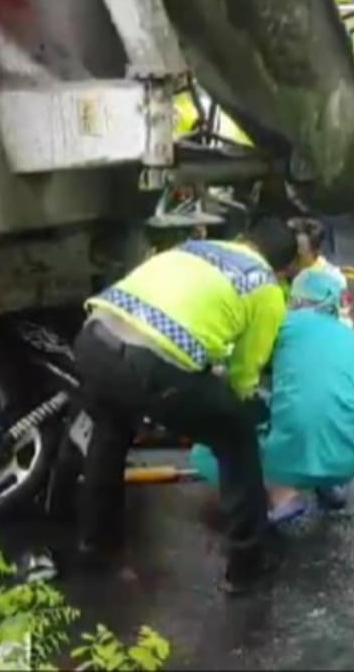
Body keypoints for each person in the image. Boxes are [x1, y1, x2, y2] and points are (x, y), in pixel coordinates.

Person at [72, 217, 300, 595]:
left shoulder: (194, 249)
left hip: (94, 339)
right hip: (148, 364)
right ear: (284, 267)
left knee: (110, 432)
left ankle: (96, 544)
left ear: (245, 239)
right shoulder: (266, 287)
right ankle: (246, 565)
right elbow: (244, 377)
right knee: (236, 438)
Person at [189, 267, 354, 522]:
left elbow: (242, 370)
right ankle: (330, 484)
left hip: (293, 449)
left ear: (295, 299)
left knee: (214, 444)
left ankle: (281, 496)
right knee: (326, 414)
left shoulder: (281, 326)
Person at [288, 217, 353, 325]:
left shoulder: (333, 279)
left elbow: (344, 318)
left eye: (300, 248)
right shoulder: (281, 272)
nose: (296, 252)